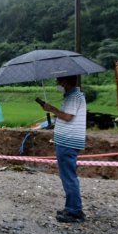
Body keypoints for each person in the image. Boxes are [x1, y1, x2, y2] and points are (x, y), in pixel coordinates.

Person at [41, 75, 87, 223]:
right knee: (67, 176)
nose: (58, 85)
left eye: (59, 82)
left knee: (68, 177)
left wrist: (51, 109)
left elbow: (68, 117)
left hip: (68, 142)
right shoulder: (72, 96)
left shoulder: (74, 97)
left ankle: (74, 211)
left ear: (65, 82)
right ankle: (71, 207)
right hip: (66, 141)